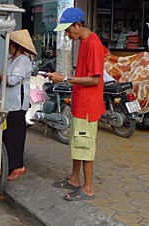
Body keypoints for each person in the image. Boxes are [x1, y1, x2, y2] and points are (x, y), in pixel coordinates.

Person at [49, 7, 108, 201]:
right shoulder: (83, 42)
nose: (67, 34)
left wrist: (65, 78)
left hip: (88, 107)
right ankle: (75, 179)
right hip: (80, 103)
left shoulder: (92, 43)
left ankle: (88, 187)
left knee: (85, 146)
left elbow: (94, 80)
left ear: (78, 25)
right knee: (77, 143)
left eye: (68, 30)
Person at [0, 29, 37, 181]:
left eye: (10, 44)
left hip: (18, 104)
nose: (8, 47)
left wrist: (0, 77)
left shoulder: (24, 61)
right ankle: (9, 164)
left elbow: (13, 80)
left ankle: (18, 166)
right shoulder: (11, 60)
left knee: (16, 136)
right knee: (7, 135)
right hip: (8, 103)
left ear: (17, 45)